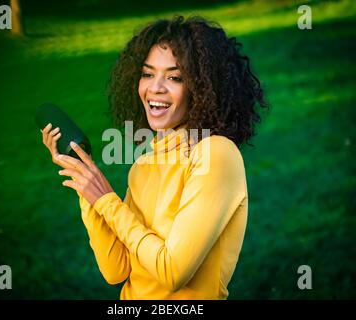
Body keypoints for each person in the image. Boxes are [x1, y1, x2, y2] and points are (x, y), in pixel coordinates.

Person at [40, 16, 267, 300]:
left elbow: (172, 272)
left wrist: (106, 200)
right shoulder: (144, 164)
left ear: (203, 88)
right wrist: (86, 185)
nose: (155, 88)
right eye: (148, 74)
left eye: (174, 77)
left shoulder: (215, 154)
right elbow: (116, 270)